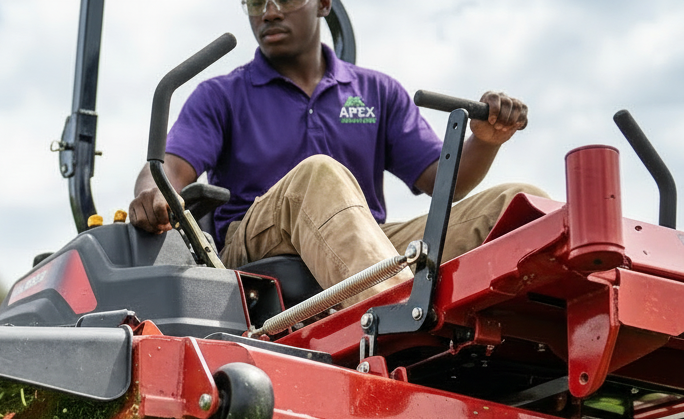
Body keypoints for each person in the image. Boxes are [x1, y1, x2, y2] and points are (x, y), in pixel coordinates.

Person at [129, 0, 545, 303]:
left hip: (363, 237)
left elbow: (442, 181)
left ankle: (543, 344)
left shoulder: (376, 92)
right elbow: (169, 169)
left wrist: (485, 141)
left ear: (324, 4)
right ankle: (394, 319)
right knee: (318, 176)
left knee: (520, 202)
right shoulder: (221, 94)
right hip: (254, 241)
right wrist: (152, 193)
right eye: (256, 3)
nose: (269, 12)